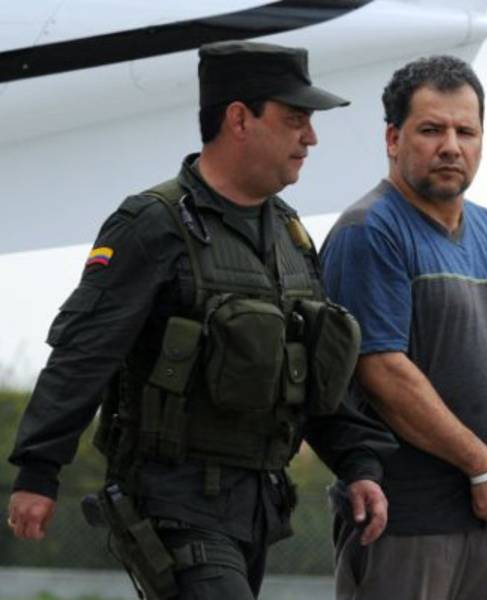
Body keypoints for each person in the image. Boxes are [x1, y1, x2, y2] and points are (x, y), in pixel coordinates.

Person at [7, 40, 396, 600]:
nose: (310, 138)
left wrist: (359, 464)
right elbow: (85, 352)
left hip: (257, 505)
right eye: (294, 120)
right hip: (174, 500)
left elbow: (309, 372)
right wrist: (39, 471)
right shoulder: (153, 225)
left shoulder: (289, 236)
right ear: (238, 118)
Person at [321, 55, 487, 600]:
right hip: (408, 523)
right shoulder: (369, 232)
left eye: (465, 131)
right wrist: (483, 468)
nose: (451, 146)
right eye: (431, 130)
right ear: (393, 138)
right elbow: (383, 370)